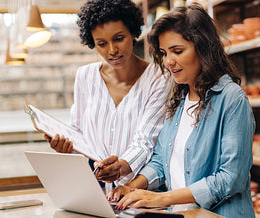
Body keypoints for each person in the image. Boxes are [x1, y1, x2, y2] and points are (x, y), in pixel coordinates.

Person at [108, 3, 256, 217]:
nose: (168, 61)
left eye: (177, 51)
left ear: (203, 47)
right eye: (164, 53)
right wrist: (134, 186)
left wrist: (162, 198)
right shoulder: (178, 99)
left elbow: (231, 178)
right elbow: (161, 160)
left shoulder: (232, 99)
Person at [45, 0, 171, 187]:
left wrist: (122, 166)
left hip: (141, 190)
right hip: (95, 188)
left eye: (119, 38)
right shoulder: (85, 76)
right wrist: (66, 146)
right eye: (102, 43)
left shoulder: (159, 78)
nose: (112, 50)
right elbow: (79, 133)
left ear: (133, 32)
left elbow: (147, 140)